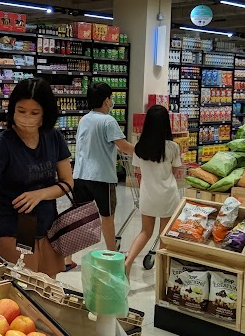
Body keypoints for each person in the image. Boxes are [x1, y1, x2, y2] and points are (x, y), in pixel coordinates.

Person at [0, 78, 73, 278]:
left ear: (45, 114)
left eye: (34, 113)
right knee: (23, 287)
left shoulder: (53, 138)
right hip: (16, 226)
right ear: (13, 110)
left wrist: (40, 194)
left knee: (48, 287)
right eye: (21, 111)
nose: (26, 118)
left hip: (48, 225)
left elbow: (68, 182)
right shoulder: (3, 144)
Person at [72, 82, 135, 256]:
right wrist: (141, 152)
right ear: (107, 100)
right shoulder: (108, 121)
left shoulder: (84, 119)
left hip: (80, 174)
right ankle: (112, 253)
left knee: (79, 216)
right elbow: (123, 146)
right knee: (107, 217)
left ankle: (67, 258)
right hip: (102, 177)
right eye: (111, 98)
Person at [124, 104, 183, 276]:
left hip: (147, 195)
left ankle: (128, 262)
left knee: (145, 231)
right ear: (166, 124)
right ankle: (162, 273)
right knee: (164, 234)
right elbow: (175, 171)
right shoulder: (172, 147)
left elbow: (137, 171)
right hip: (168, 196)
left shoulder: (140, 147)